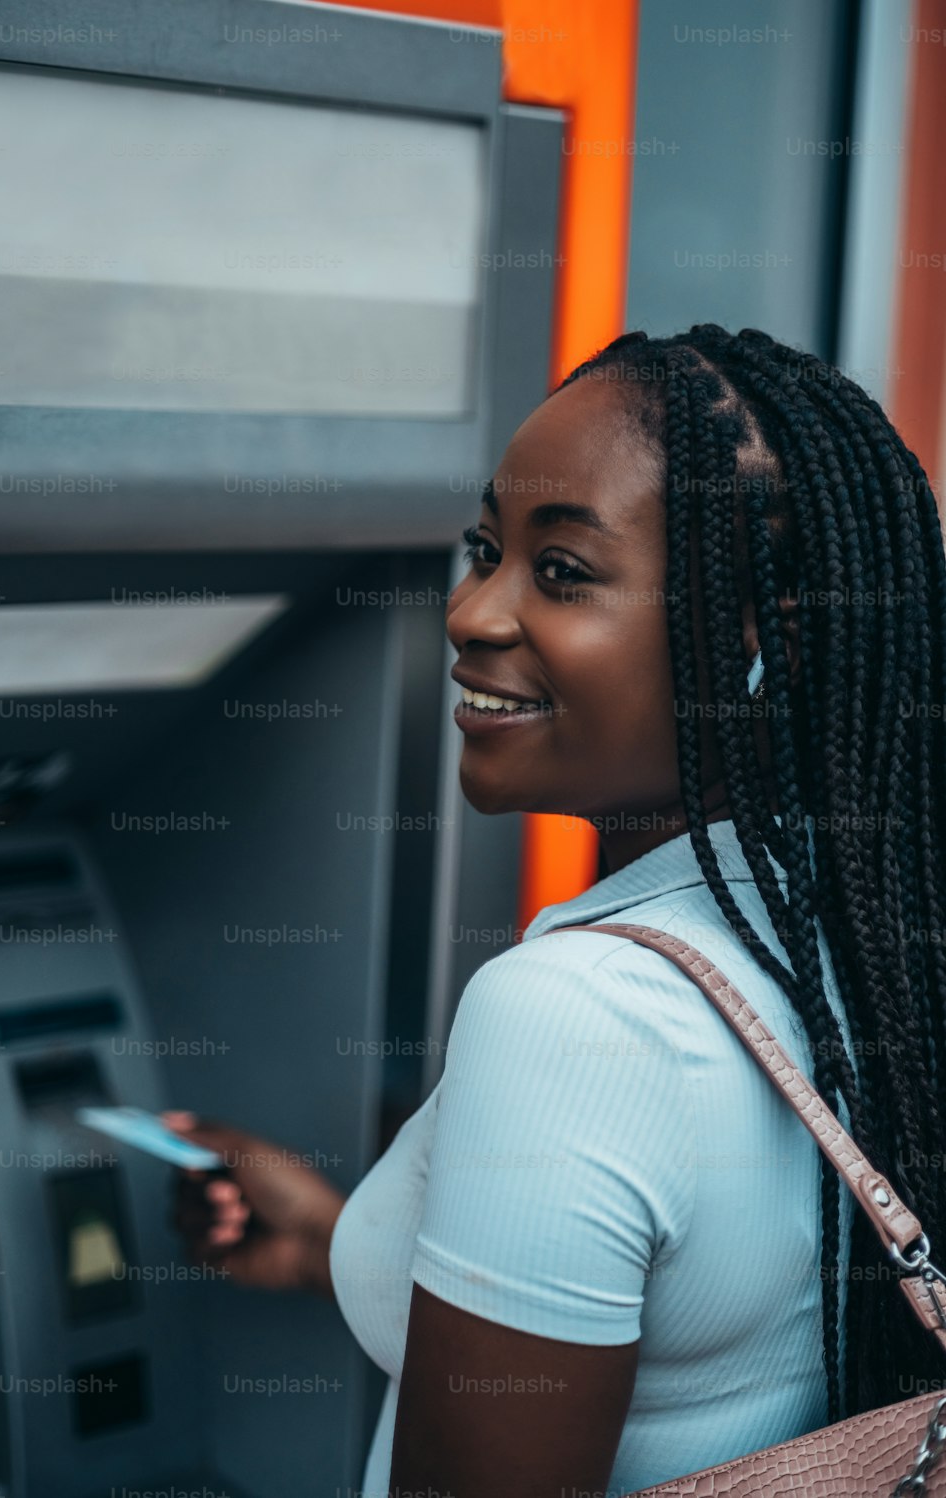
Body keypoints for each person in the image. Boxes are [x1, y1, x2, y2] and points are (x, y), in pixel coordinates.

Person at [166, 324, 946, 1496]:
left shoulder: (576, 1016)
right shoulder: (867, 945)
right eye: (484, 548)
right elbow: (706, 1332)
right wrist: (348, 1242)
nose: (473, 612)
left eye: (563, 571)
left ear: (756, 637)